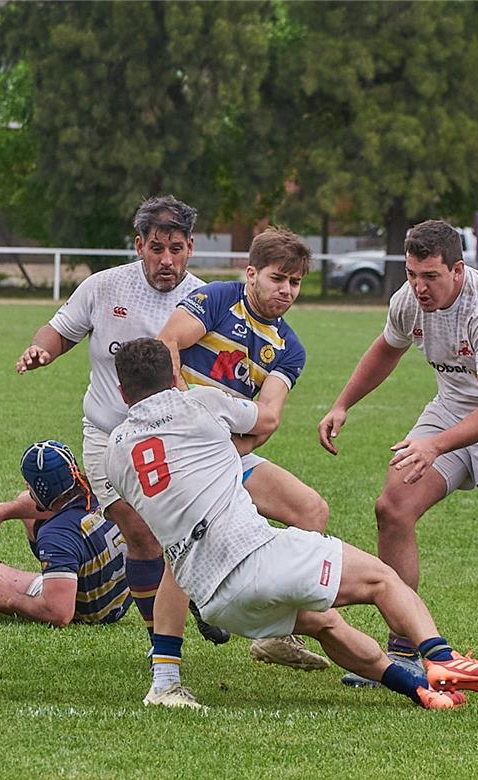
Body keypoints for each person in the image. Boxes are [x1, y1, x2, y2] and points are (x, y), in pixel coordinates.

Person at [105, 338, 478, 711]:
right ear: (175, 376)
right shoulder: (200, 402)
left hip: (216, 601)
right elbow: (262, 421)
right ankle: (442, 659)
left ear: (123, 393)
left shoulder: (115, 451)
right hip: (255, 557)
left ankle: (419, 692)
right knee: (382, 579)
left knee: (324, 624)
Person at [316, 219, 478, 693]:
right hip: (451, 413)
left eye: (430, 276)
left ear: (457, 269)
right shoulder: (409, 300)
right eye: (412, 273)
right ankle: (402, 650)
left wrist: (433, 445)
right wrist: (342, 404)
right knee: (392, 509)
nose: (419, 286)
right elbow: (386, 350)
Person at [15, 195, 212, 708]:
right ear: (138, 245)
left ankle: (200, 600)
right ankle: (160, 645)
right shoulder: (104, 287)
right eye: (155, 248)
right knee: (141, 534)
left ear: (190, 248)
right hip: (109, 435)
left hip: (177, 440)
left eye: (176, 248)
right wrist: (41, 351)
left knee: (190, 533)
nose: (165, 259)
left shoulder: (206, 300)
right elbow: (59, 332)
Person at [156, 225, 331, 671]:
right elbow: (168, 343)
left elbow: (268, 418)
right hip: (175, 446)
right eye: (278, 278)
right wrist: (185, 410)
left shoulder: (289, 348)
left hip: (228, 451)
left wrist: (224, 453)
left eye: (295, 282)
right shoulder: (216, 299)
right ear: (251, 273)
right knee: (186, 545)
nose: (287, 290)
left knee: (312, 510)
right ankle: (165, 662)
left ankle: (279, 637)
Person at [0, 440, 130, 627]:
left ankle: (57, 583)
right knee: (26, 507)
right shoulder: (99, 489)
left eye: (29, 484)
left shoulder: (56, 534)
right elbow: (32, 503)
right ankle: (60, 578)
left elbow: (59, 614)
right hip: (118, 598)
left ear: (40, 489)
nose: (26, 488)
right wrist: (0, 512)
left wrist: (9, 597)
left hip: (88, 612)